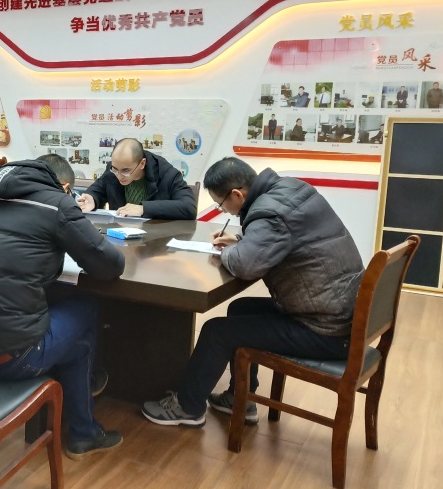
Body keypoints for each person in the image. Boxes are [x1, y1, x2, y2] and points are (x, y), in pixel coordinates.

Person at [141, 157, 364, 427]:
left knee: (216, 331)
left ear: (237, 194)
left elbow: (245, 266)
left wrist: (230, 250)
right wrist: (243, 240)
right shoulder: (291, 188)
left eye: (222, 204)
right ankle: (240, 398)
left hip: (326, 330)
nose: (225, 211)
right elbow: (287, 235)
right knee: (240, 309)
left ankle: (187, 407)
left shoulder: (269, 213)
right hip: (342, 312)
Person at [0, 154, 126, 458]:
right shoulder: (57, 204)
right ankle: (84, 428)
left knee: (76, 339)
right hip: (16, 358)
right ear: (65, 187)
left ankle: (84, 420)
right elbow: (109, 265)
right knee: (86, 307)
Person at [77, 138, 196, 219]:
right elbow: (98, 190)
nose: (119, 175)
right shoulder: (114, 170)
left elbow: (189, 207)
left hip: (155, 239)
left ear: (142, 164)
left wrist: (143, 209)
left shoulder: (167, 174)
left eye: (126, 171)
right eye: (115, 169)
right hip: (119, 235)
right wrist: (92, 198)